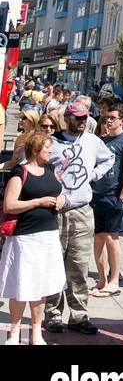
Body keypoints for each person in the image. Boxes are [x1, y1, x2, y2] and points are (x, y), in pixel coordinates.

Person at [42, 99, 115, 334]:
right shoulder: (52, 143)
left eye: (85, 117)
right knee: (54, 263)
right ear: (67, 119)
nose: (82, 121)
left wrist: (94, 174)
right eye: (78, 118)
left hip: (82, 210)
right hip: (55, 210)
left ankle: (79, 314)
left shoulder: (93, 141)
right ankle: (52, 314)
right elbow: (33, 163)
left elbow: (109, 158)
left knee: (79, 265)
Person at [0, 129, 68, 344]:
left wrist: (62, 199)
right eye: (47, 147)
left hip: (48, 236)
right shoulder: (19, 173)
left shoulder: (49, 168)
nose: (50, 150)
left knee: (42, 285)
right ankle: (14, 331)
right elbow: (10, 205)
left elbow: (60, 191)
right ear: (36, 150)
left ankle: (36, 331)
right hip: (25, 237)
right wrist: (38, 202)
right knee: (21, 284)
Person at [90, 105, 123, 296]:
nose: (108, 121)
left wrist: (122, 196)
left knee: (112, 238)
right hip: (96, 195)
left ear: (122, 120)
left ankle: (114, 279)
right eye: (106, 117)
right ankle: (101, 279)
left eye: (112, 117)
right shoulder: (101, 140)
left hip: (114, 196)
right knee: (98, 238)